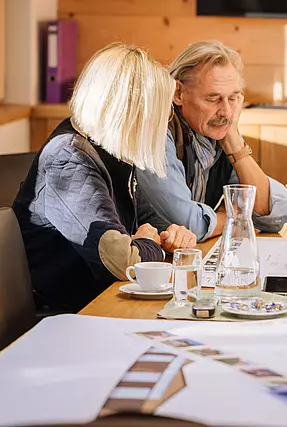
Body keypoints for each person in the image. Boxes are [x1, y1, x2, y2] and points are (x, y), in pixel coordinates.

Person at [13, 43, 197, 312]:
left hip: (105, 303)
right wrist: (150, 244)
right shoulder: (68, 159)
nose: (161, 124)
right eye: (157, 115)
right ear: (129, 113)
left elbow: (147, 221)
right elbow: (122, 262)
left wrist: (173, 234)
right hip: (70, 315)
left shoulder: (111, 148)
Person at [137, 41, 287, 241]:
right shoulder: (155, 131)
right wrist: (233, 216)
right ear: (178, 93)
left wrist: (234, 142)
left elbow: (273, 217)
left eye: (233, 98)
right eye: (213, 99)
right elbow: (190, 223)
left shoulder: (219, 132)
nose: (226, 112)